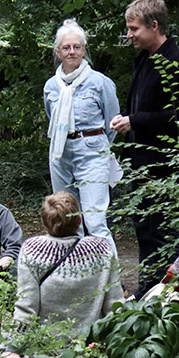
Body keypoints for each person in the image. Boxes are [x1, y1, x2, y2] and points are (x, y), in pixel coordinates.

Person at [110, 0, 179, 296]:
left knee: (164, 230)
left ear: (154, 25)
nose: (129, 34)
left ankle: (171, 293)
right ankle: (149, 288)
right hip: (139, 161)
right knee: (144, 228)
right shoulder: (143, 60)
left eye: (134, 28)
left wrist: (135, 121)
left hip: (165, 164)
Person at [5, 192, 122, 358]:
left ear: (44, 223)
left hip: (46, 352)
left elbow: (26, 307)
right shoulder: (102, 249)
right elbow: (115, 305)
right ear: (79, 219)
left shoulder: (31, 251)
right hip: (92, 349)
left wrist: (12, 348)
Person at [44, 19, 119, 251]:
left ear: (84, 49)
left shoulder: (100, 82)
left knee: (95, 221)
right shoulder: (51, 87)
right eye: (66, 48)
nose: (72, 52)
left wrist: (93, 142)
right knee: (66, 219)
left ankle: (111, 282)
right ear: (58, 52)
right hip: (60, 153)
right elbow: (51, 117)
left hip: (92, 152)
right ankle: (76, 277)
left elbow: (112, 123)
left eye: (76, 47)